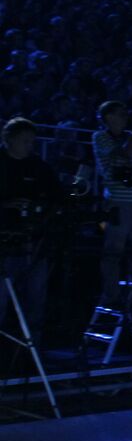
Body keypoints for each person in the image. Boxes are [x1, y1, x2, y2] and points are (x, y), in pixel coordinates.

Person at [0, 117, 66, 344]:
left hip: (34, 243)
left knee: (36, 300)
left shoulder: (39, 167)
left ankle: (32, 352)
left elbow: (58, 199)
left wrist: (43, 217)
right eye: (24, 141)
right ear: (8, 139)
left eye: (32, 141)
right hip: (3, 244)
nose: (30, 146)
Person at [92, 101, 132, 304]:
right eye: (120, 113)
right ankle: (112, 296)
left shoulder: (131, 136)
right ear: (108, 117)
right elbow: (121, 155)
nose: (125, 116)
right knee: (113, 252)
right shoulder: (100, 137)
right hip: (119, 202)